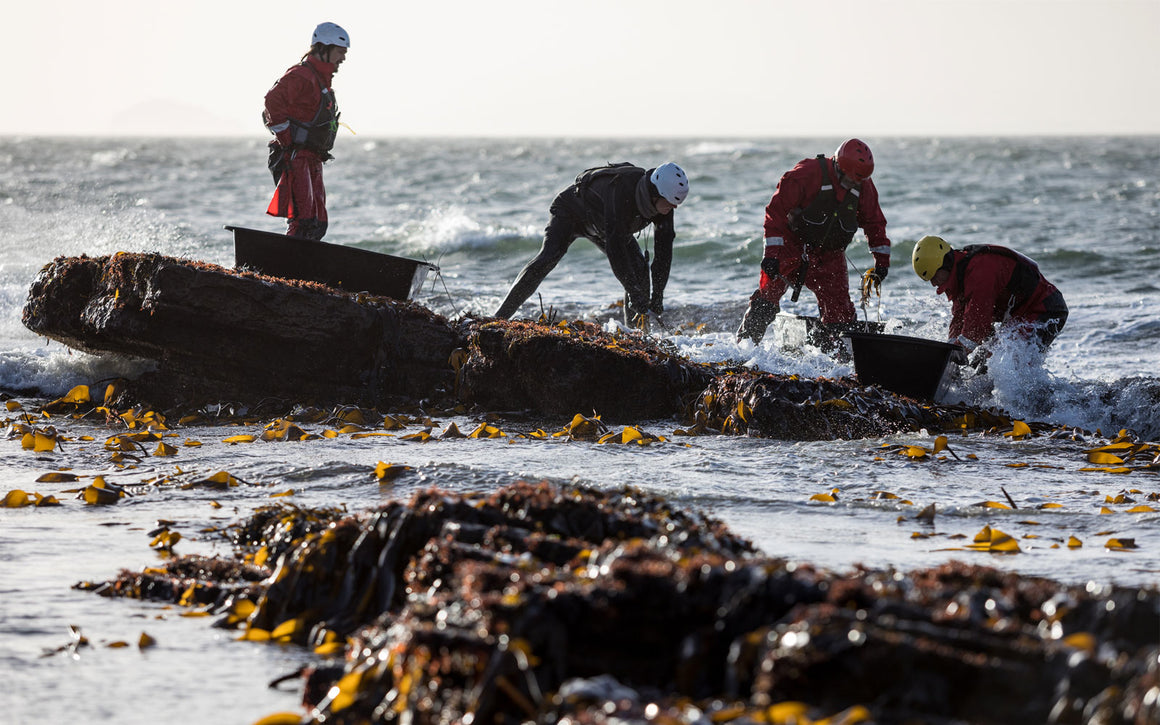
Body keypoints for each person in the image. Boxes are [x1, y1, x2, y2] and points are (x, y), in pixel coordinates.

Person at [736, 139, 892, 343]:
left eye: (859, 181)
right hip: (791, 246)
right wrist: (771, 255)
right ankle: (743, 348)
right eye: (851, 180)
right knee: (766, 300)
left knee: (841, 315)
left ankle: (839, 361)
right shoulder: (806, 174)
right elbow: (775, 213)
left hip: (830, 256)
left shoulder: (863, 185)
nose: (854, 185)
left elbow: (875, 224)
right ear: (838, 167)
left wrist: (881, 264)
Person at [493, 162, 689, 323]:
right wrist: (634, 293)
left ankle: (636, 336)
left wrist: (658, 295)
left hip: (604, 225)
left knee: (640, 269)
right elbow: (616, 250)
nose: (673, 208)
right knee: (548, 258)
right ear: (655, 194)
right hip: (571, 212)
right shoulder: (622, 190)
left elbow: (664, 254)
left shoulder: (665, 204)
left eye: (676, 204)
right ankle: (498, 319)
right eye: (671, 203)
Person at [911, 235, 1068, 363]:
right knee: (984, 364)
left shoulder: (979, 271)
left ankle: (1039, 401)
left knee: (1005, 363)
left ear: (945, 263)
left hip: (1046, 309)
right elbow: (960, 316)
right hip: (1020, 314)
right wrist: (950, 347)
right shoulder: (958, 275)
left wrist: (950, 358)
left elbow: (977, 327)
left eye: (934, 276)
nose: (933, 283)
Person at [262, 22, 350, 240]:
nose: (343, 58)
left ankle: (305, 265)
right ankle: (285, 266)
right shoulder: (300, 75)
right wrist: (286, 139)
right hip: (294, 156)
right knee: (303, 220)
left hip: (312, 159)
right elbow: (272, 101)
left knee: (319, 223)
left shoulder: (322, 81)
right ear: (324, 48)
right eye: (340, 52)